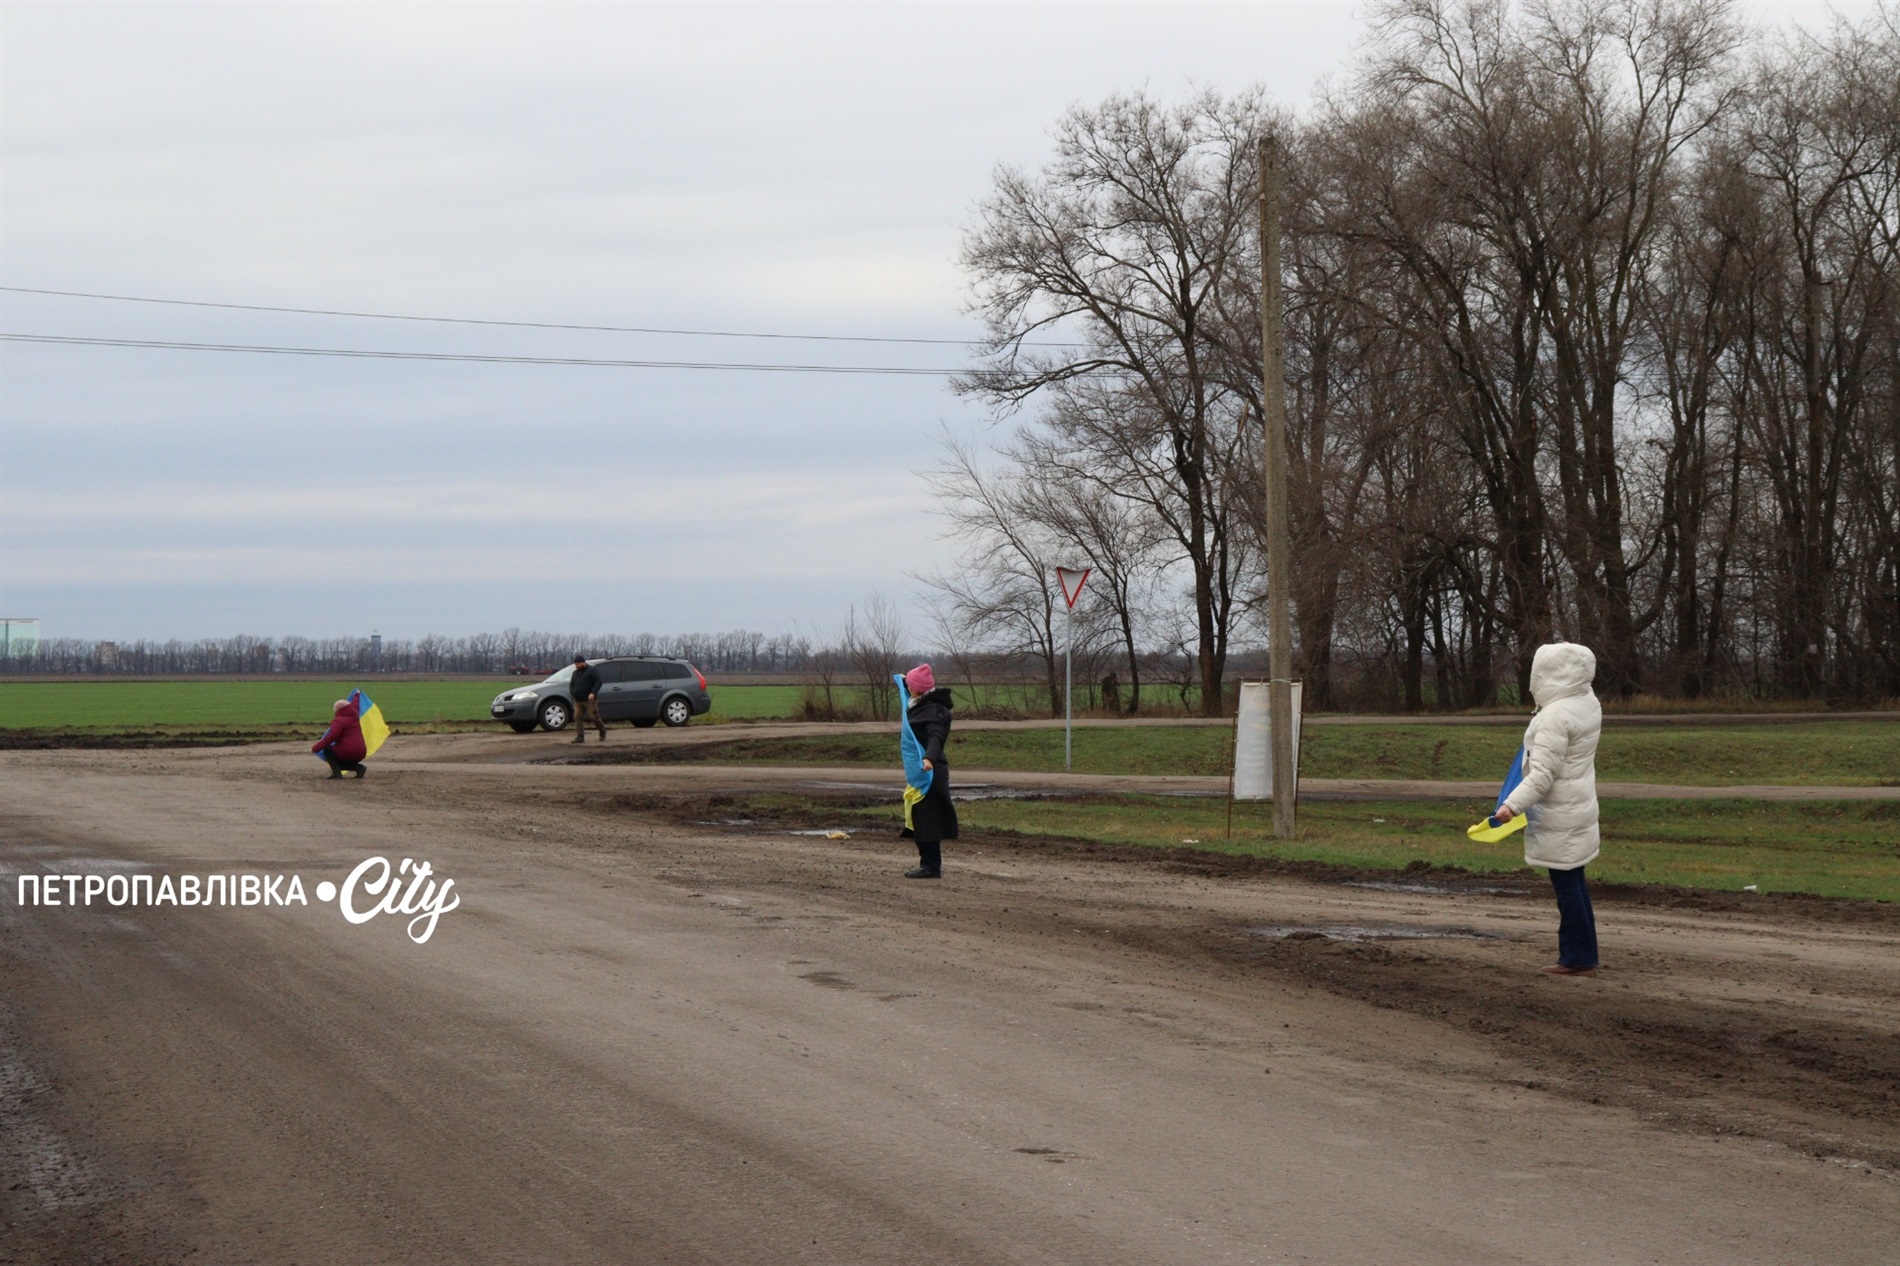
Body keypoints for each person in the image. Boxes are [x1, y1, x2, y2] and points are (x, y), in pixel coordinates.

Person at [1493, 641, 1603, 976]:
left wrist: (1511, 807)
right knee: (1575, 881)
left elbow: (1542, 776)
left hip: (1560, 813)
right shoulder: (1587, 702)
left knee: (1567, 886)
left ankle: (1577, 958)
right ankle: (1583, 953)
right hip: (1578, 807)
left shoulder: (1554, 717)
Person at [899, 663, 958, 879]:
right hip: (921, 770)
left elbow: (936, 737)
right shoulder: (920, 702)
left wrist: (928, 758)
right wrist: (904, 680)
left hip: (931, 770)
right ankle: (928, 864)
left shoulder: (935, 712)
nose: (908, 688)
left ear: (918, 689)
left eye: (910, 685)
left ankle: (931, 867)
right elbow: (910, 687)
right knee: (918, 818)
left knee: (927, 819)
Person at [312, 697, 369, 779]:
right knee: (339, 759)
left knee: (328, 750)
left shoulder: (339, 721)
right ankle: (359, 768)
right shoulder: (355, 715)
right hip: (361, 752)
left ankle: (336, 773)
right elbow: (355, 704)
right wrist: (357, 694)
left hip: (348, 751)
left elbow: (332, 736)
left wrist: (316, 748)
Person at [569, 654, 606, 743]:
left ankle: (602, 731)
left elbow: (598, 682)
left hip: (589, 699)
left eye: (577, 664)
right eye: (575, 664)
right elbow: (572, 684)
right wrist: (573, 692)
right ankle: (580, 736)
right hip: (578, 699)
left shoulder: (592, 671)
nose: (576, 666)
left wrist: (593, 692)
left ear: (583, 663)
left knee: (594, 717)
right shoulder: (575, 673)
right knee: (577, 717)